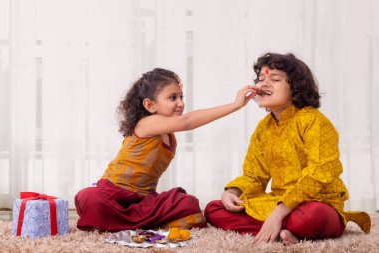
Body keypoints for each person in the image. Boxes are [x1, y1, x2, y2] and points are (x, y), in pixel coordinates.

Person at [204, 53, 371, 245]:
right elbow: (254, 175)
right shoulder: (263, 128)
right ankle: (283, 229)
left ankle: (279, 225)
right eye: (260, 79)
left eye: (274, 79)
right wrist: (233, 192)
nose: (264, 84)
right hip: (278, 202)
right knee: (214, 209)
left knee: (312, 216)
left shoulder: (314, 121)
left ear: (296, 87)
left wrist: (280, 211)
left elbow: (320, 172)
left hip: (317, 202)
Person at [75, 68, 256, 232]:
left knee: (187, 202)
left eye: (181, 97)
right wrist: (235, 105)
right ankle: (135, 222)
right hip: (113, 194)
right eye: (172, 98)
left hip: (142, 200)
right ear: (150, 105)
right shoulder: (146, 124)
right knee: (90, 197)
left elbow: (185, 121)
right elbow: (187, 122)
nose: (180, 103)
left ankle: (131, 222)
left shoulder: (169, 135)